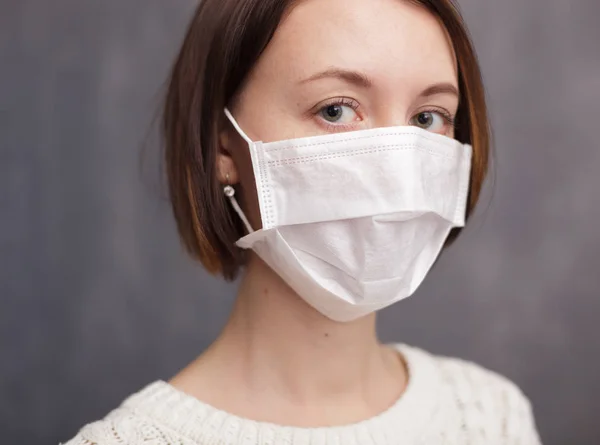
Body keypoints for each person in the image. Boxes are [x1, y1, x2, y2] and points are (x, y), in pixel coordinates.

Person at [64, 0, 542, 443]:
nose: (398, 167)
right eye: (336, 109)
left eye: (428, 118)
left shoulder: (491, 417)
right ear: (222, 147)